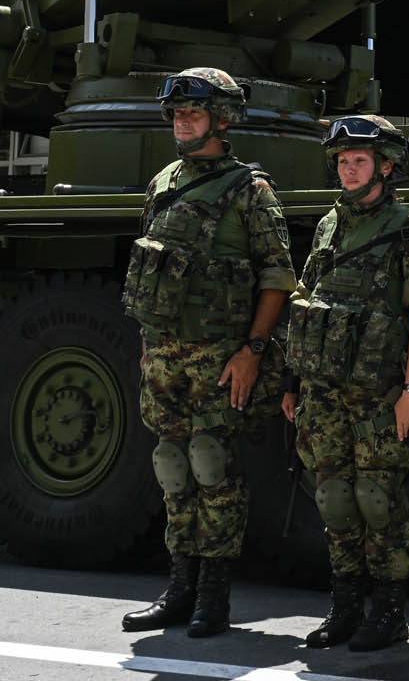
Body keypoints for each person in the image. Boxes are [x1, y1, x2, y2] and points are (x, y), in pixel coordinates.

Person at [119, 68, 296, 638]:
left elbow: (278, 277)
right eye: (176, 113)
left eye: (193, 112)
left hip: (220, 357)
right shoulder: (163, 181)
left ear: (222, 120)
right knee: (172, 466)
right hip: (164, 354)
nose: (182, 121)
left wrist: (253, 350)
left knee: (211, 464)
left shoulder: (251, 190)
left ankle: (213, 597)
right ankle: (179, 588)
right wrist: (147, 345)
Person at [279, 115, 409, 653]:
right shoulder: (330, 225)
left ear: (386, 166)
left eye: (359, 160)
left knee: (378, 498)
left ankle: (390, 611)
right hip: (324, 390)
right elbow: (307, 300)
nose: (348, 170)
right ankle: (345, 606)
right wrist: (292, 382)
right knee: (333, 497)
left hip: (381, 393)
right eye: (342, 161)